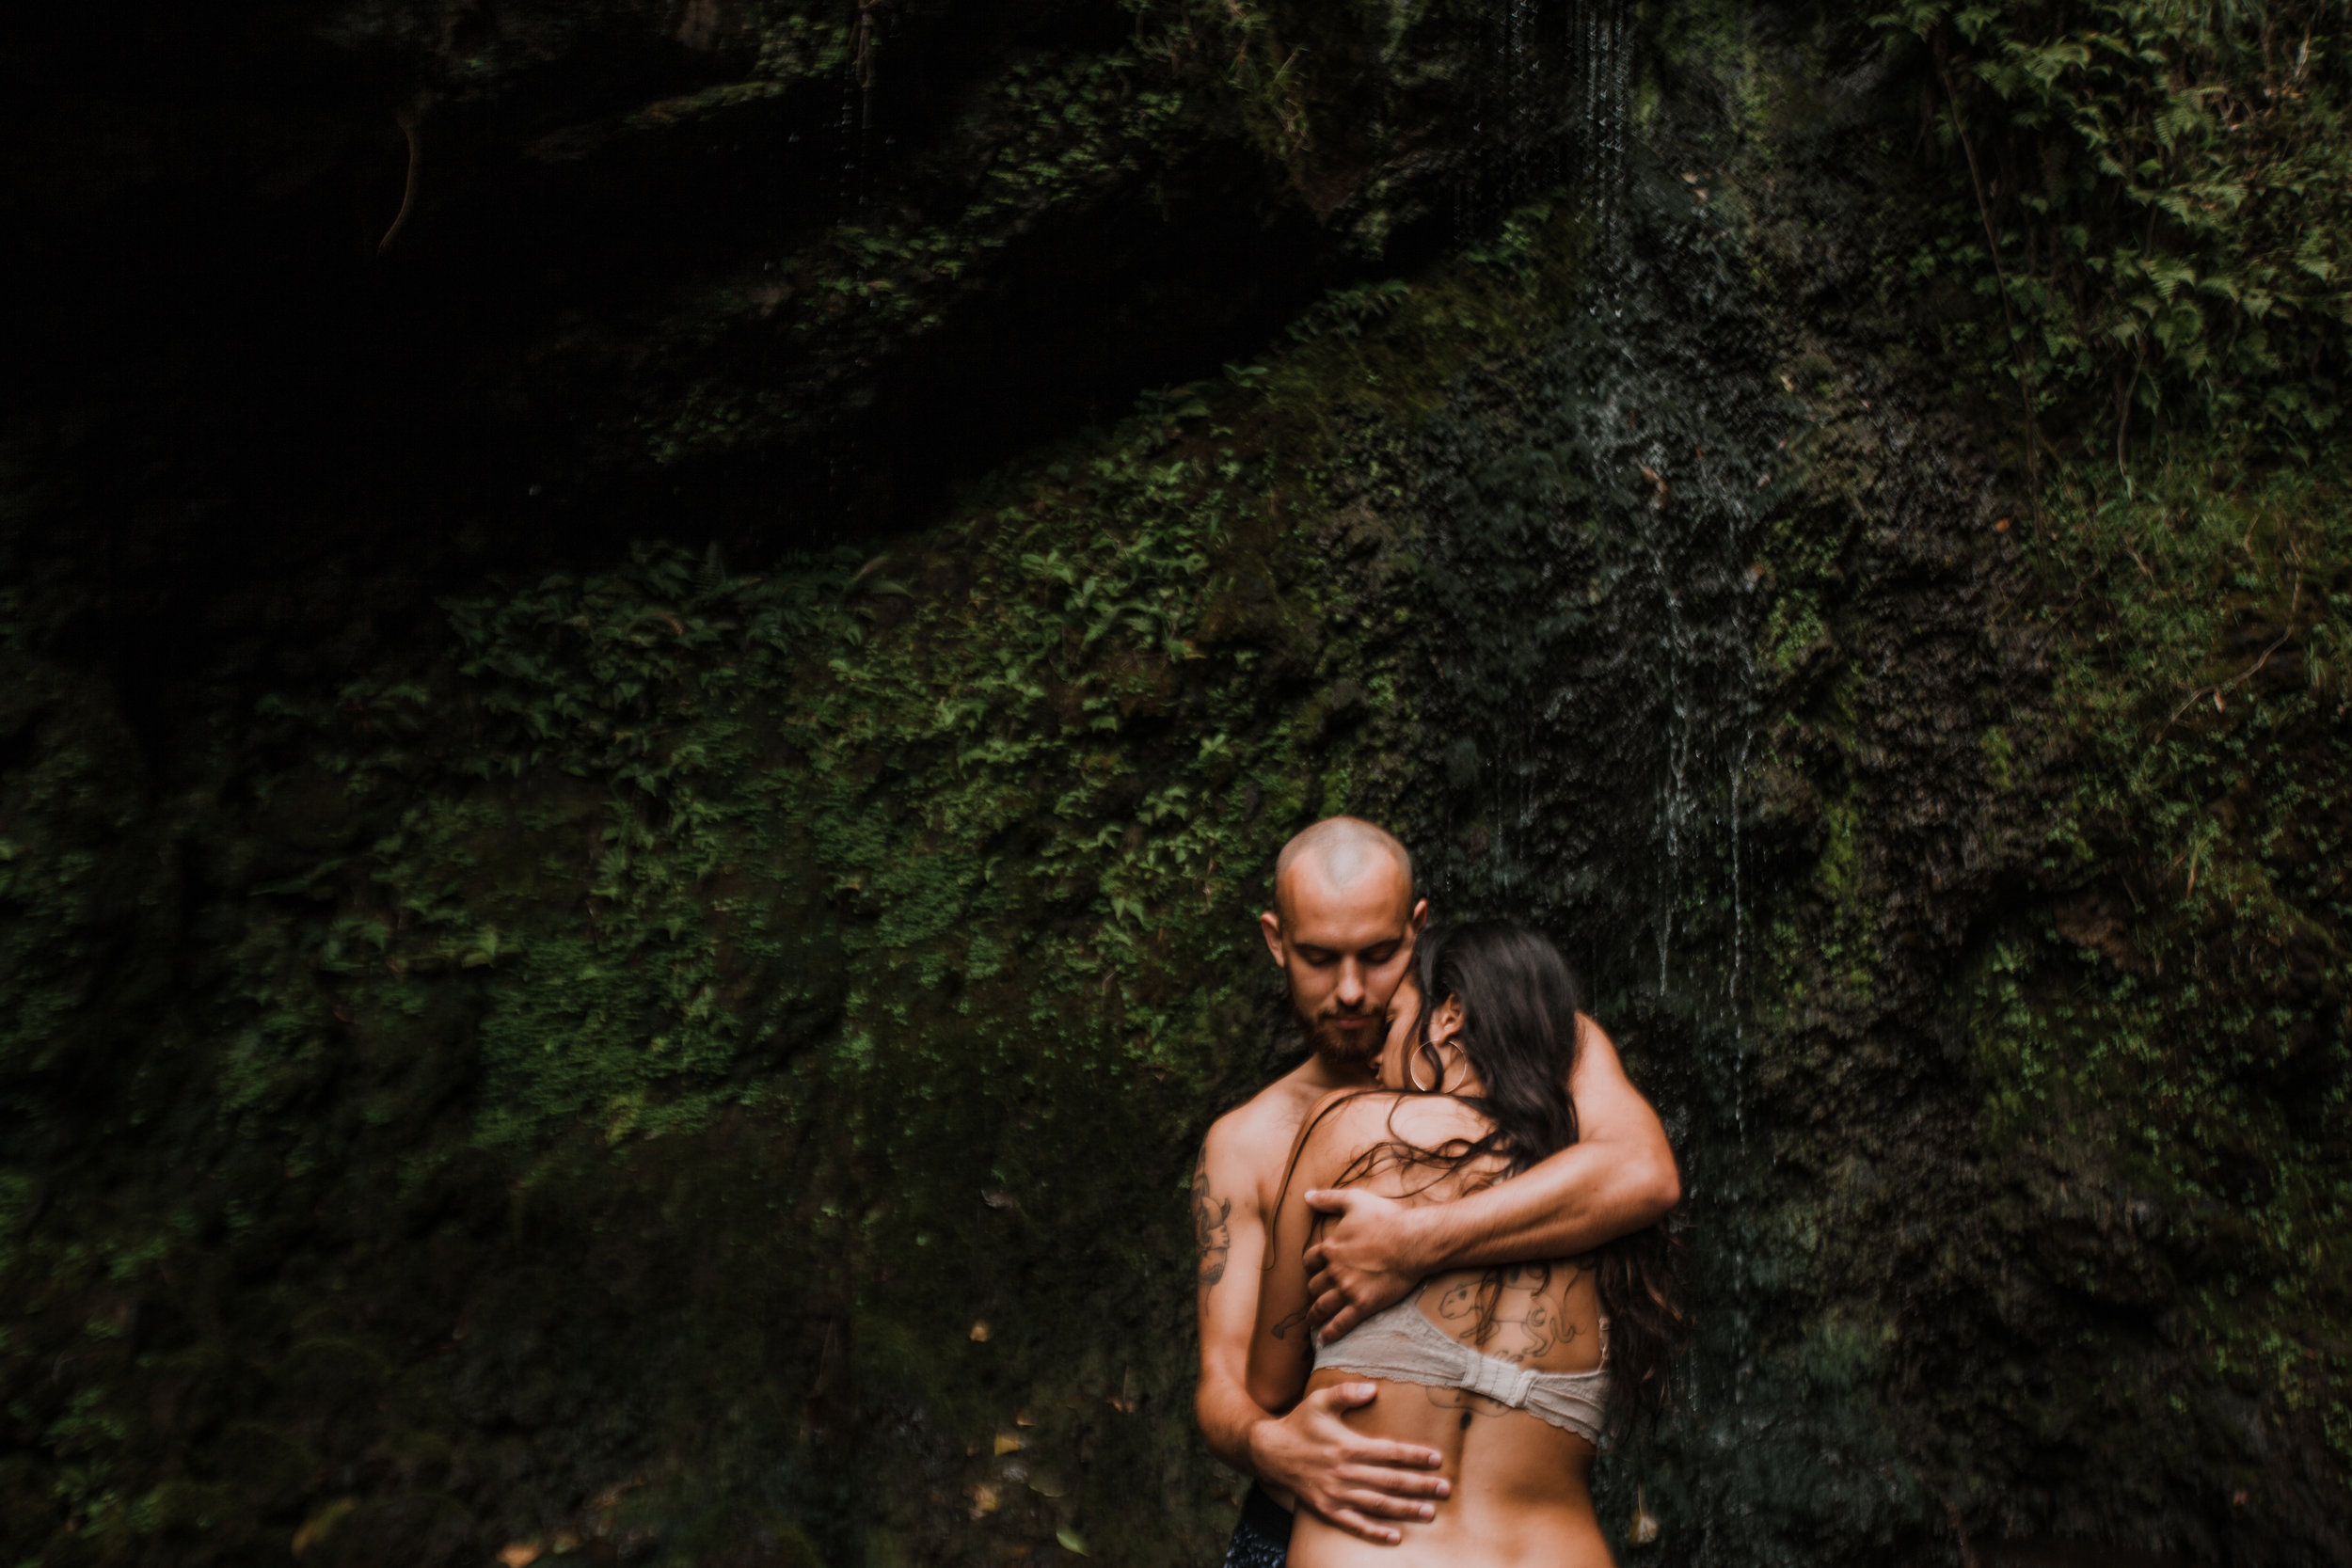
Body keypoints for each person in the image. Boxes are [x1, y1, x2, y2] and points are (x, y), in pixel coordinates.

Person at [1194, 818, 1678, 1564]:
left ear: (1420, 933)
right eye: (1321, 958)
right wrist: (1267, 1444)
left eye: (1381, 956)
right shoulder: (1248, 1140)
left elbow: (1645, 1171)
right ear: (1276, 941)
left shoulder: (1548, 1040)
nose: (1352, 990)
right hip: (1312, 1508)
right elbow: (1232, 1385)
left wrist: (1412, 1243)